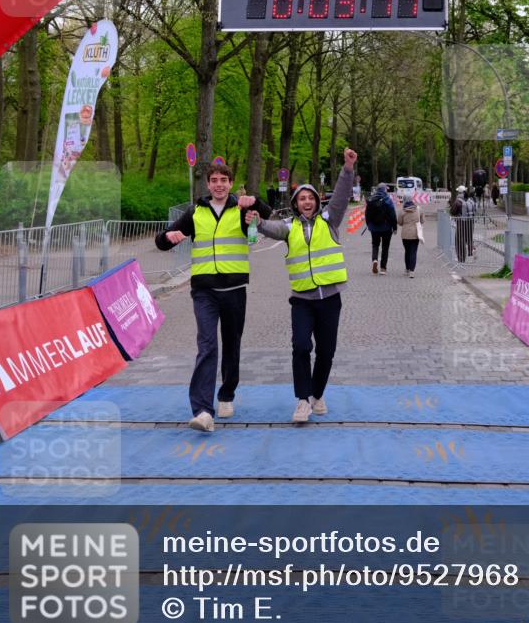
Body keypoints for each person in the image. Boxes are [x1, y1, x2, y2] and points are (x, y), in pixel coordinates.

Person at [155, 162, 271, 433]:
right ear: (207, 184)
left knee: (231, 345)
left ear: (231, 183)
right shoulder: (195, 212)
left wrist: (254, 201)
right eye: (214, 180)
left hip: (234, 290)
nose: (219, 184)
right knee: (207, 346)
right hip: (204, 291)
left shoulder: (241, 209)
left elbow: (267, 215)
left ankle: (227, 394)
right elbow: (162, 240)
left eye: (224, 180)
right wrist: (167, 238)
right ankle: (203, 410)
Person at [245, 148, 357, 423]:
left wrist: (347, 169)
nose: (307, 202)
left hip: (330, 298)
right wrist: (256, 222)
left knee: (326, 351)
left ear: (318, 202)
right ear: (295, 204)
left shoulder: (330, 221)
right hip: (302, 299)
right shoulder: (288, 227)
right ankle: (302, 400)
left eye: (311, 198)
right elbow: (267, 228)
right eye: (302, 199)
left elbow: (342, 196)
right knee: (301, 346)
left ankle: (317, 394)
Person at [365, 182, 397, 274]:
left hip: (374, 228)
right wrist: (394, 227)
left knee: (375, 245)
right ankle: (383, 268)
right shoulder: (387, 199)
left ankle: (374, 260)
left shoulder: (371, 199)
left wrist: (369, 225)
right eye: (386, 189)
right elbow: (392, 214)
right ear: (384, 190)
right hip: (386, 227)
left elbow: (367, 214)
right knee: (385, 247)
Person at [397, 198, 423, 278]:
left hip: (405, 234)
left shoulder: (402, 211)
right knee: (413, 252)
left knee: (407, 251)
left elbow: (400, 222)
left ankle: (407, 269)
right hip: (415, 234)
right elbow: (422, 220)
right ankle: (412, 271)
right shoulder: (418, 210)